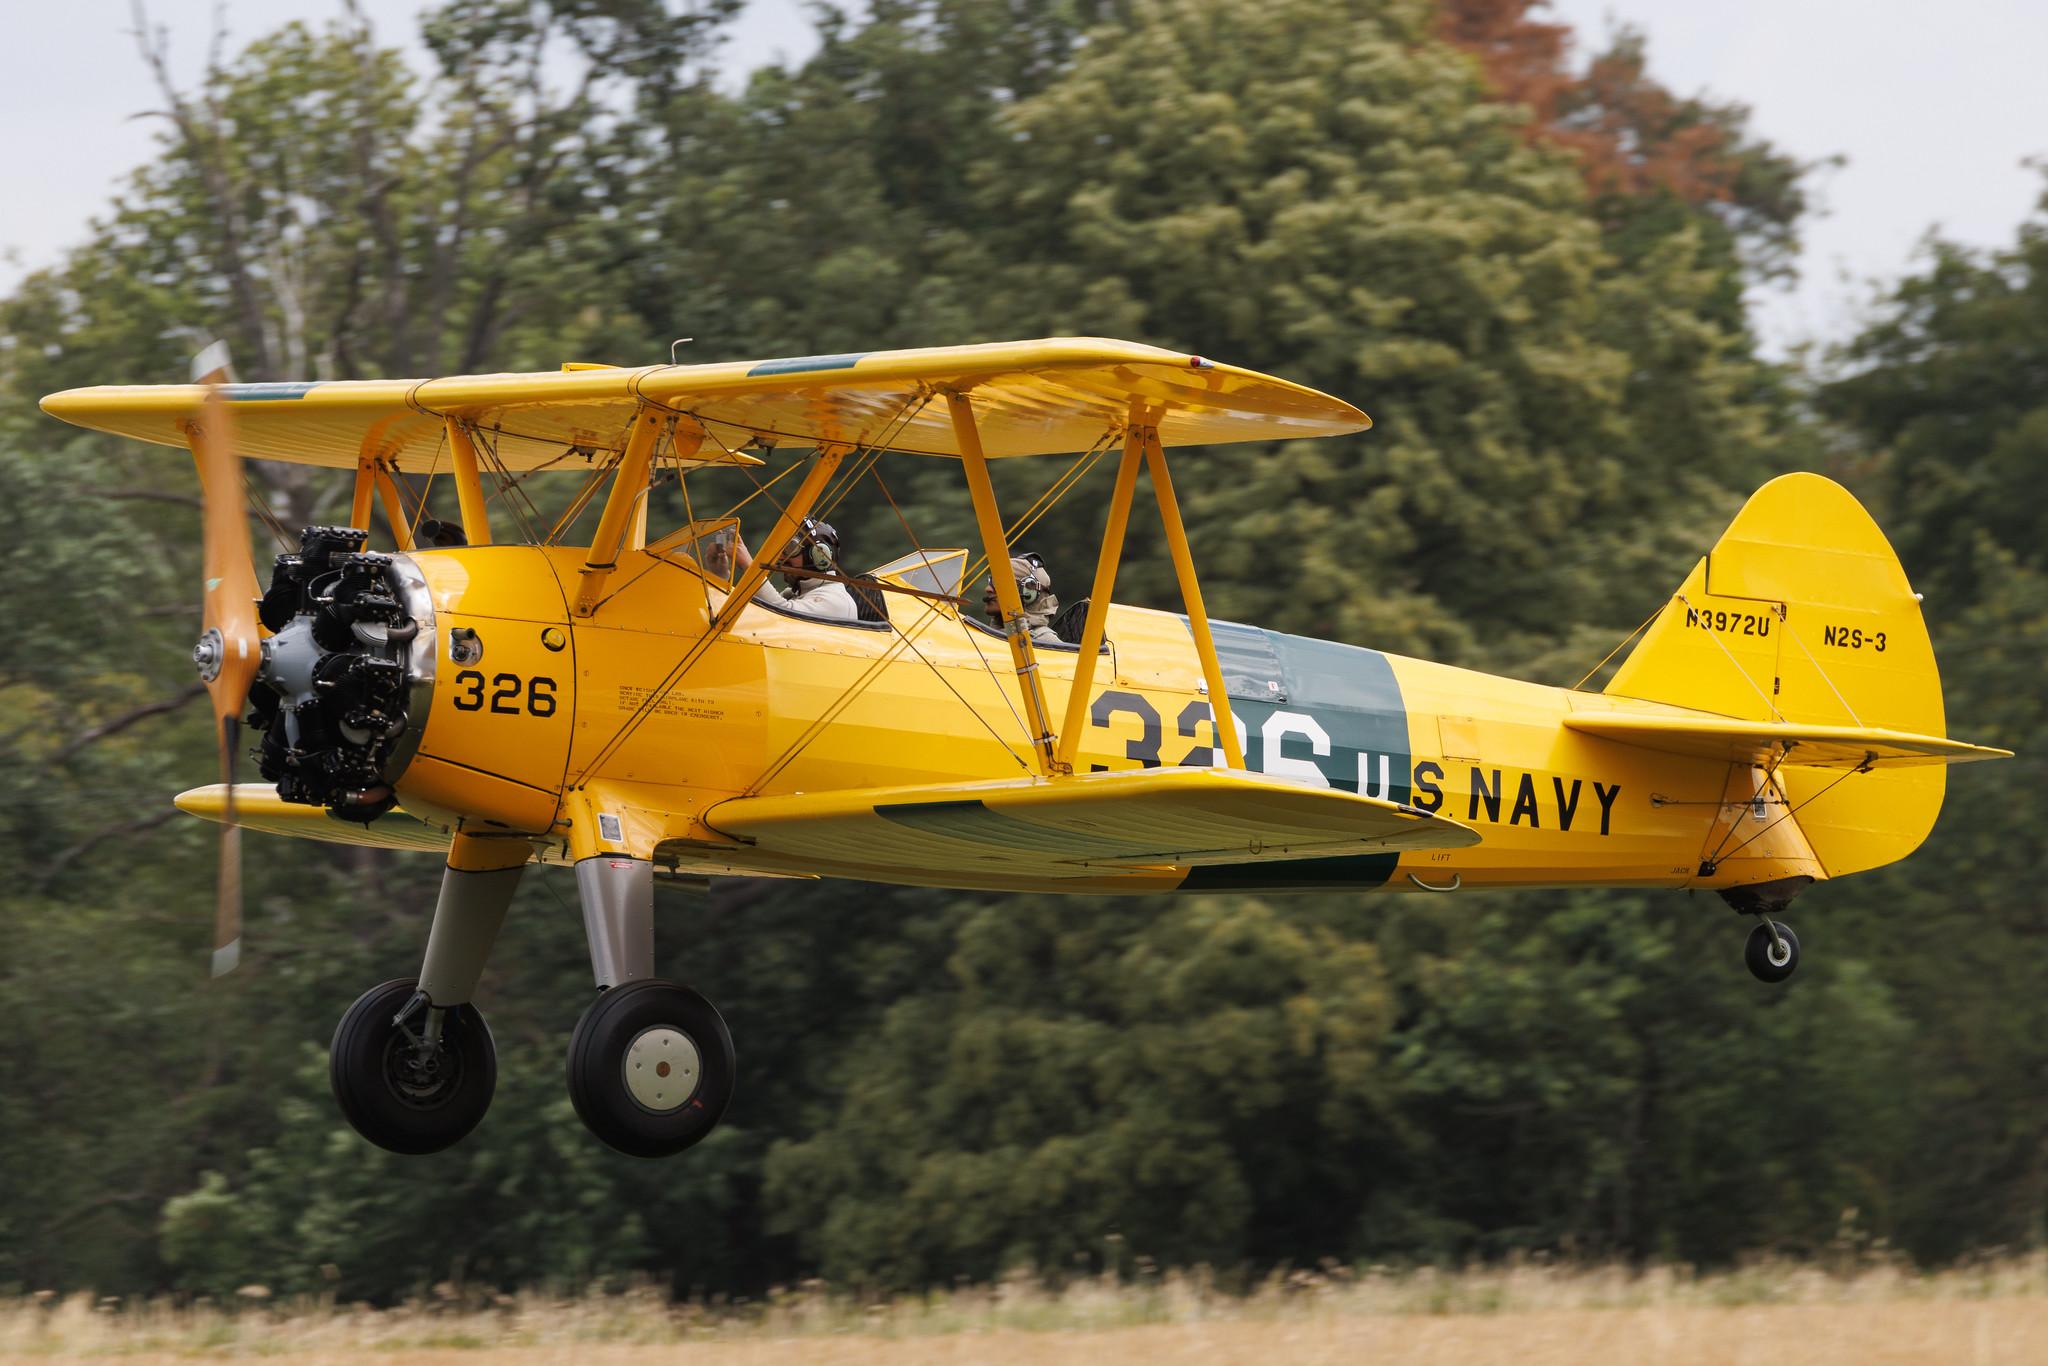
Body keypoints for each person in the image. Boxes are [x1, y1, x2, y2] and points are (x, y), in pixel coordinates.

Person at [734, 518, 858, 621]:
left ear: (818, 554)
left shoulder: (835, 600)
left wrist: (748, 565)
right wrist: (722, 573)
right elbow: (753, 612)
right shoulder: (798, 594)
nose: (781, 557)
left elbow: (782, 615)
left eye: (790, 548)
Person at [983, 552, 1061, 645]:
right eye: (991, 581)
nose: (988, 589)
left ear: (1028, 593)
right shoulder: (988, 636)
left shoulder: (1047, 644)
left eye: (999, 583)